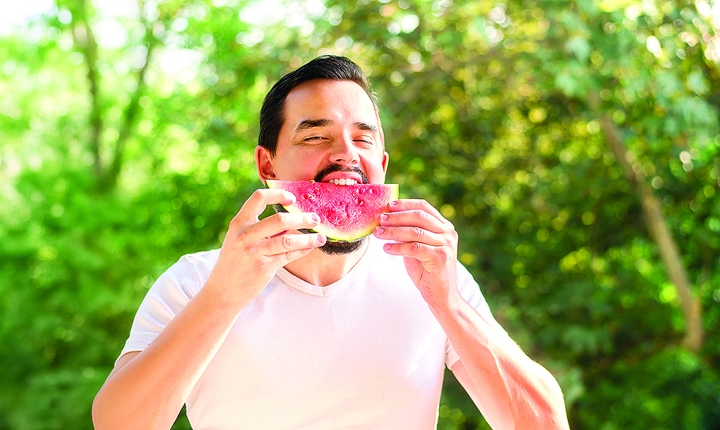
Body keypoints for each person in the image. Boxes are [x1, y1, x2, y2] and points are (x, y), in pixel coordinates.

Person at [92, 55, 569, 429]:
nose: (346, 155)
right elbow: (118, 424)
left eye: (362, 138)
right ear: (267, 166)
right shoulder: (195, 280)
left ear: (382, 162)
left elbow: (544, 423)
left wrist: (447, 302)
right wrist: (223, 296)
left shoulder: (430, 276)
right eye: (316, 136)